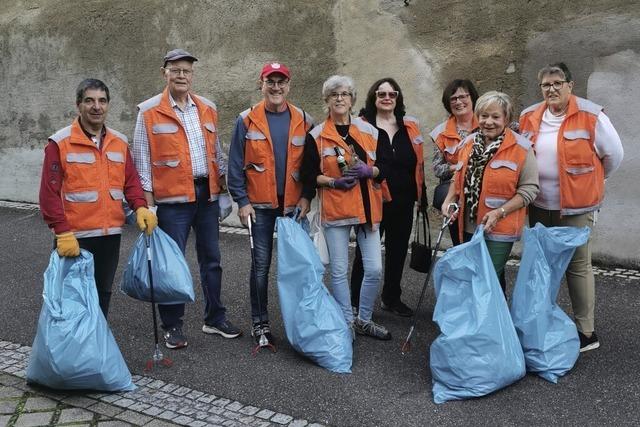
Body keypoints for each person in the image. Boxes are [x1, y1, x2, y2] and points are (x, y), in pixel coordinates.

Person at [132, 49, 241, 349]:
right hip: (171, 202)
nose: (182, 76)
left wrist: (222, 192)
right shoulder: (149, 111)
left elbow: (216, 154)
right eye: (176, 70)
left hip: (206, 196)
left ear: (193, 75)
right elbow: (141, 162)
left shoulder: (207, 108)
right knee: (171, 264)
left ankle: (215, 318)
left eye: (187, 71)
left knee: (212, 260)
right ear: (164, 72)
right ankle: (172, 325)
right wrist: (148, 205)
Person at [519, 62, 623, 353]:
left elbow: (614, 155)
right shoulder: (529, 116)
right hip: (540, 204)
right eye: (545, 85)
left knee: (577, 265)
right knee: (543, 266)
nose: (551, 89)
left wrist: (592, 183)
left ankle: (586, 332)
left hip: (577, 207)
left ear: (569, 85)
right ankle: (545, 322)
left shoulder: (591, 115)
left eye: (557, 83)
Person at [39, 78, 157, 319]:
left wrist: (141, 207)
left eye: (102, 101)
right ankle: (70, 354)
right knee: (71, 300)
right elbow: (48, 193)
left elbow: (131, 182)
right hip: (74, 237)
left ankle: (96, 350)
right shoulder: (59, 143)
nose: (96, 107)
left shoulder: (119, 142)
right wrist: (61, 231)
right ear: (78, 105)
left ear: (108, 105)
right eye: (89, 100)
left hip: (109, 236)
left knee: (102, 295)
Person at [227, 62, 314, 347]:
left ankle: (301, 324)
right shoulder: (246, 119)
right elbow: (235, 165)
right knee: (261, 267)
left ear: (289, 85)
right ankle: (260, 323)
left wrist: (306, 197)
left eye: (281, 82)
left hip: (293, 207)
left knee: (298, 268)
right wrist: (242, 201)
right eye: (270, 82)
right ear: (260, 84)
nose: (276, 87)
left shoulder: (304, 119)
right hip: (259, 207)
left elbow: (312, 166)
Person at [301, 75, 392, 340]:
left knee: (374, 269)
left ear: (352, 99)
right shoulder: (316, 136)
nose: (339, 99)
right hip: (337, 208)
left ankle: (365, 319)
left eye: (344, 94)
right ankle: (347, 322)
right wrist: (332, 181)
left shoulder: (371, 131)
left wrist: (370, 170)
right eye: (334, 95)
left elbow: (385, 168)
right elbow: (308, 175)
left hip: (367, 209)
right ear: (326, 101)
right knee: (339, 271)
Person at [442, 91, 539, 292]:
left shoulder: (521, 148)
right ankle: (489, 320)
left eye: (495, 117)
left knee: (486, 279)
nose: (488, 122)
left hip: (500, 227)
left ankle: (486, 322)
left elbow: (529, 189)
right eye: (484, 116)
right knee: (474, 277)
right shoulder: (468, 143)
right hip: (468, 225)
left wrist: (499, 212)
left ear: (506, 118)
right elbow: (458, 176)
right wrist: (448, 199)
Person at [349, 78, 427, 318]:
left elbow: (419, 162)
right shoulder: (361, 125)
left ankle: (391, 297)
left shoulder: (410, 125)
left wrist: (421, 195)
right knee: (366, 255)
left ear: (398, 97)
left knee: (398, 251)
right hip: (374, 200)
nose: (387, 98)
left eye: (392, 94)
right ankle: (355, 304)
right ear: (373, 97)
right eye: (381, 93)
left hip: (404, 201)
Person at [430, 79, 479, 246]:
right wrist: (459, 168)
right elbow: (438, 169)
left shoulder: (488, 122)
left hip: (484, 190)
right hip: (455, 192)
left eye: (463, 96)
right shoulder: (441, 132)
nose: (459, 102)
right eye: (453, 99)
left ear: (472, 98)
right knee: (461, 245)